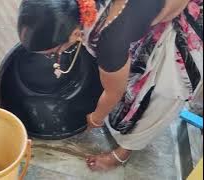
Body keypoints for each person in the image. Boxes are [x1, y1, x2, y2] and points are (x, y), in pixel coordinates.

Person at [17, 0, 203, 171]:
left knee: (156, 98)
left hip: (187, 23)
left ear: (75, 33)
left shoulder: (109, 41)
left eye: (52, 52)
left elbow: (115, 92)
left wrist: (96, 119)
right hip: (147, 10)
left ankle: (122, 153)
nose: (52, 57)